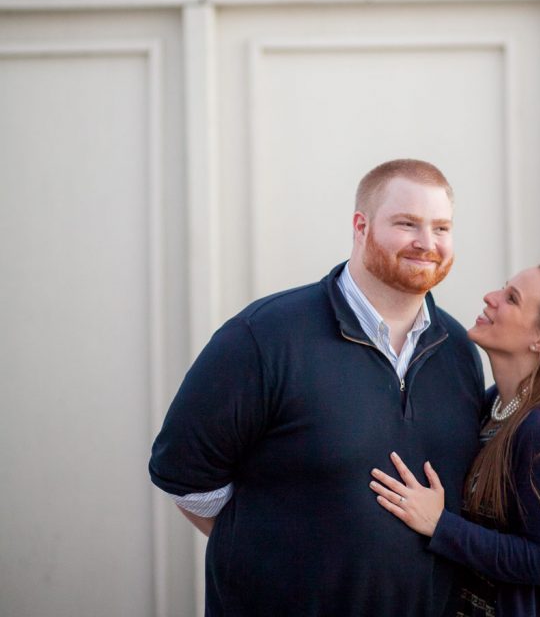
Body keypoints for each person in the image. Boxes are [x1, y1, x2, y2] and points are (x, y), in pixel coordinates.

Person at [149, 159, 485, 617]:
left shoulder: (460, 352)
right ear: (360, 227)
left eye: (441, 227)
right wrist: (276, 554)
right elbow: (182, 473)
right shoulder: (265, 336)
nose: (427, 243)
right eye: (407, 223)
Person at [370, 262, 540, 617]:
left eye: (511, 298)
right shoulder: (493, 406)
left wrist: (439, 525)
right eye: (503, 288)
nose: (490, 298)